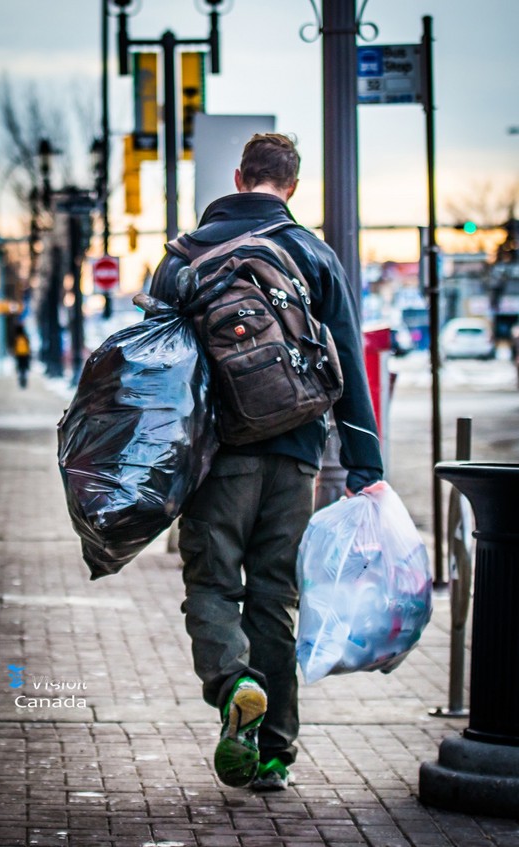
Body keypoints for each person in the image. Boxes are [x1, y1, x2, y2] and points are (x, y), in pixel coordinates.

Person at [150, 133, 384, 791]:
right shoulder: (312, 252)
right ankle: (275, 754)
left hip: (215, 457)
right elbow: (349, 359)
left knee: (213, 582)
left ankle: (233, 683)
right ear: (292, 186)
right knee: (275, 596)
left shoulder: (183, 255)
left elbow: (155, 371)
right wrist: (365, 462)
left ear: (238, 176)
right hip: (297, 453)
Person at [13, 324, 31, 389]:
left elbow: (14, 347)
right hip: (25, 354)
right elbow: (28, 346)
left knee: (20, 367)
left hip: (19, 355)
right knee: (24, 367)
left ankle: (21, 380)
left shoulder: (16, 338)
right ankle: (24, 380)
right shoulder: (25, 337)